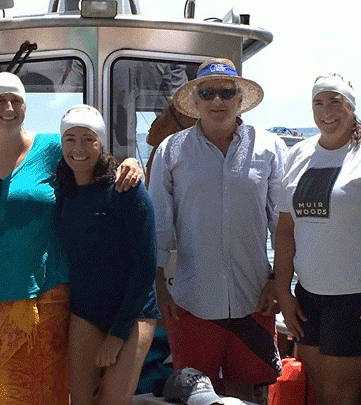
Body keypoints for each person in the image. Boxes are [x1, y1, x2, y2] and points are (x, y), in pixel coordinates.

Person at [0, 72, 142, 405]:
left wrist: (130, 163)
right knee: (7, 391)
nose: (9, 107)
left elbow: (92, 159)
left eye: (16, 100)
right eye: (0, 100)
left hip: (47, 290)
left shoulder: (52, 147)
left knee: (50, 388)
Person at [148, 58, 286, 401]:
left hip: (255, 296)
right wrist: (159, 289)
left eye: (226, 93)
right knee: (196, 395)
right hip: (191, 301)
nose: (217, 101)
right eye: (207, 93)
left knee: (249, 394)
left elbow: (283, 225)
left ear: (240, 100)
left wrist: (279, 283)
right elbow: (158, 227)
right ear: (195, 102)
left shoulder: (270, 148)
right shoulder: (171, 150)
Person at [274, 73, 361, 405]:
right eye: (318, 103)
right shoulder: (299, 156)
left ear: (350, 106)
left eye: (335, 102)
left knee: (340, 396)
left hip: (358, 299)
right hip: (309, 297)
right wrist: (284, 291)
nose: (327, 112)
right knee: (322, 390)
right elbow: (284, 231)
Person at [56, 104, 160, 405]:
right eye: (70, 139)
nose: (79, 148)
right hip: (86, 310)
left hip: (134, 310)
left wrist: (117, 336)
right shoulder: (62, 188)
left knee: (112, 401)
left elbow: (145, 269)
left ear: (101, 143)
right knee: (80, 401)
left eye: (89, 139)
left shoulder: (126, 190)